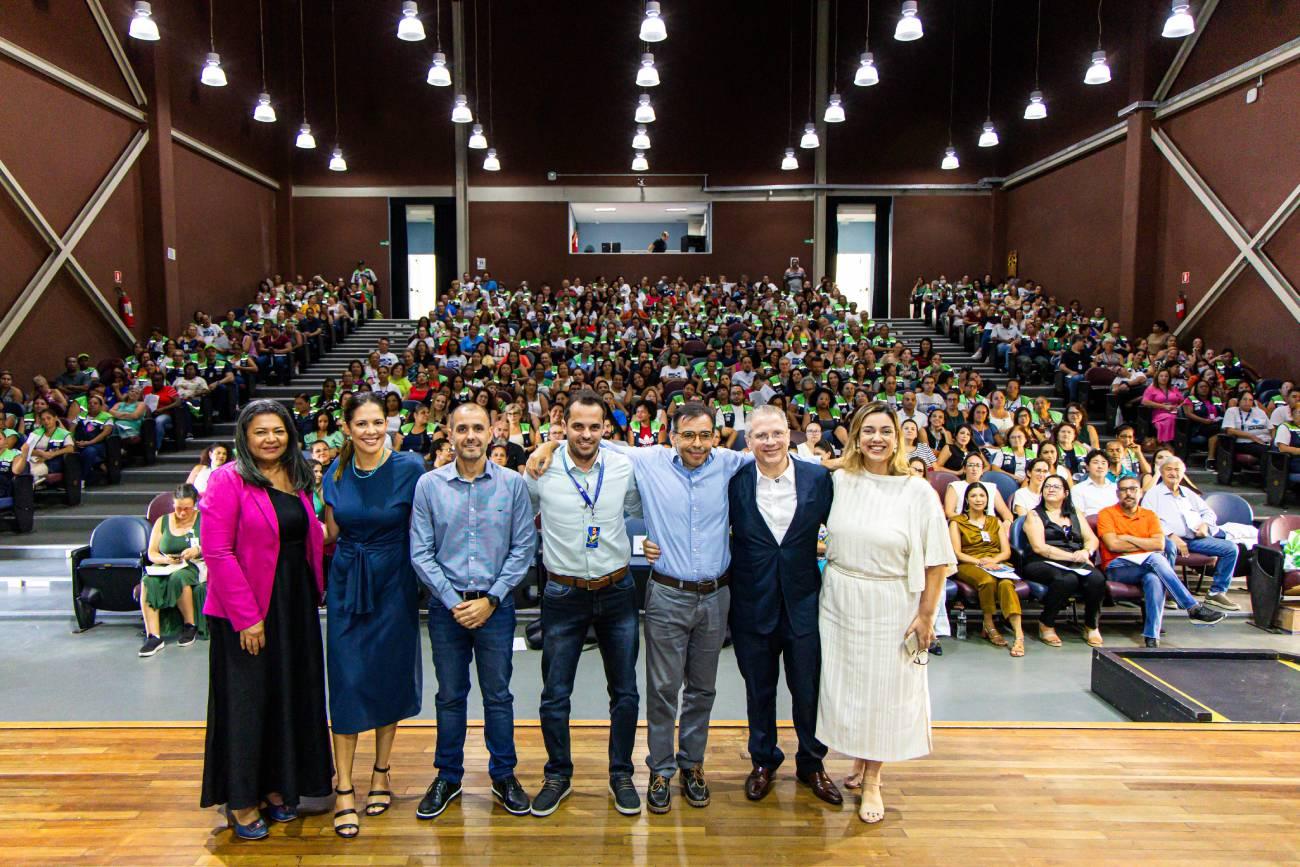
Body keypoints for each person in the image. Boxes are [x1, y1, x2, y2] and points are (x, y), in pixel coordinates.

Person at [816, 402, 955, 824]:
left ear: (899, 437)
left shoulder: (917, 492)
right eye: (868, 430)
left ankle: (874, 780)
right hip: (840, 598)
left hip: (892, 601)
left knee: (885, 690)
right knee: (851, 688)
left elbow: (937, 561)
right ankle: (859, 762)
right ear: (855, 436)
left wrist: (926, 614)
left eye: (886, 431)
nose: (877, 438)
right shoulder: (841, 481)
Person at [199, 400, 332, 841]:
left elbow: (307, 536)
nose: (271, 439)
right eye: (261, 432)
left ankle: (277, 786)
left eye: (278, 430)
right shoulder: (226, 480)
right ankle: (240, 800)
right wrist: (247, 618)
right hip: (249, 608)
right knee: (247, 702)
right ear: (245, 436)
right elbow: (218, 552)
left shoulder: (296, 477)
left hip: (293, 606)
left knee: (285, 696)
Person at [410, 402, 537, 821]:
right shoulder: (429, 485)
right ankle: (448, 775)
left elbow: (523, 550)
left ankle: (504, 775)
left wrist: (492, 599)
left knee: (498, 696)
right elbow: (421, 553)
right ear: (449, 433)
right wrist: (453, 602)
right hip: (447, 609)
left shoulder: (512, 485)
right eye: (461, 428)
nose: (470, 436)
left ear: (491, 432)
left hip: (496, 608)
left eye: (477, 428)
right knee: (450, 697)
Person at [524, 391, 644, 818]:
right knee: (555, 693)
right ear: (564, 425)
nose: (586, 434)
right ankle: (558, 775)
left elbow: (634, 507)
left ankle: (621, 774)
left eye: (595, 426)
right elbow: (527, 517)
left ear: (605, 428)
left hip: (617, 590)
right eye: (578, 426)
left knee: (625, 691)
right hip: (562, 593)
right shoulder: (540, 468)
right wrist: (547, 446)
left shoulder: (623, 467)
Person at [722, 405, 841, 806]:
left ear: (790, 435)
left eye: (776, 433)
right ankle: (764, 760)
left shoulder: (818, 478)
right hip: (752, 603)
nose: (769, 442)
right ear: (748, 440)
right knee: (759, 690)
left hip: (804, 601)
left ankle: (812, 763)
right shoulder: (734, 481)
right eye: (760, 436)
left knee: (807, 689)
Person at [321, 393, 425, 838]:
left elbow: (425, 525)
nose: (369, 430)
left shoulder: (410, 468)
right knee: (346, 680)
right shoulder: (335, 471)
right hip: (347, 580)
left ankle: (381, 772)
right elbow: (328, 531)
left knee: (387, 675)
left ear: (388, 424)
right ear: (347, 427)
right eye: (360, 423)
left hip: (394, 581)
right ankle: (344, 787)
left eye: (377, 422)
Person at [1098, 477, 1225, 648]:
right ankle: (1192, 607)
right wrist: (1144, 542)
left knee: (1154, 579)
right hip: (1117, 566)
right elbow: (1113, 545)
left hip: (1147, 565)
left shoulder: (1149, 515)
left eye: (1133, 489)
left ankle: (1151, 636)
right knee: (1157, 558)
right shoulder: (1107, 514)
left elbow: (1159, 544)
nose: (1128, 493)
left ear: (1141, 492)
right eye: (1124, 490)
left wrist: (1127, 538)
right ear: (1117, 493)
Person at [1141, 457, 1240, 612]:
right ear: (1161, 472)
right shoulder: (1153, 494)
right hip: (1167, 539)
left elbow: (1208, 513)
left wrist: (1204, 525)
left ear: (1183, 473)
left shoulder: (1188, 493)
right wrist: (1172, 535)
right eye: (1169, 469)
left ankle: (1216, 592)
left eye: (1177, 470)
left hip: (1194, 540)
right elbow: (1149, 520)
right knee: (1169, 547)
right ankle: (1167, 592)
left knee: (1230, 548)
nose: (1173, 473)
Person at [1021, 475, 1107, 648]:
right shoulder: (1035, 515)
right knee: (1067, 579)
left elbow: (1092, 539)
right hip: (1042, 561)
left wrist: (1086, 551)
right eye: (1047, 486)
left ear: (1066, 493)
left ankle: (1091, 625)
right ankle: (1047, 623)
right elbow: (1040, 547)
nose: (1050, 489)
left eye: (1056, 487)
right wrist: (1073, 557)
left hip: (1073, 560)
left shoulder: (1075, 514)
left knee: (1097, 579)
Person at [949, 482, 1023, 655]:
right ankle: (989, 624)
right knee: (987, 580)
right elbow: (957, 553)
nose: (978, 499)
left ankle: (1019, 636)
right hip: (969, 563)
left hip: (996, 562)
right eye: (973, 496)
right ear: (966, 499)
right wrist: (980, 562)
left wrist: (993, 560)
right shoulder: (957, 522)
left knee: (1006, 583)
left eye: (982, 496)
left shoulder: (994, 521)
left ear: (987, 499)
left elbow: (1006, 551)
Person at [139, 483, 205, 657]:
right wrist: (165, 559)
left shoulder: (204, 518)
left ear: (195, 505)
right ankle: (153, 635)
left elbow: (213, 545)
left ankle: (189, 625)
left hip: (193, 564)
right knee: (148, 581)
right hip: (167, 564)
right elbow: (152, 552)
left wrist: (197, 550)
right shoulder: (163, 521)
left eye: (187, 509)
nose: (182, 513)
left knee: (179, 577)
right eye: (178, 508)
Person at [942, 452, 1012, 522]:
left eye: (978, 465)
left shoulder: (991, 487)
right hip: (964, 525)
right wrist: (972, 522)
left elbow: (1005, 512)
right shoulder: (955, 486)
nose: (974, 469)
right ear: (964, 469)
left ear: (982, 470)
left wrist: (1007, 522)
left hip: (990, 526)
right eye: (970, 465)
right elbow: (949, 512)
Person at [1070, 449, 1119, 518]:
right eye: (1095, 462)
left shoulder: (1116, 488)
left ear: (1108, 468)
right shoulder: (1078, 489)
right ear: (1087, 467)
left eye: (1103, 463)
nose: (1100, 466)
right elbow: (1079, 516)